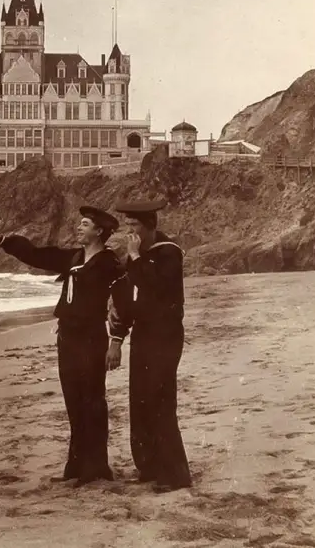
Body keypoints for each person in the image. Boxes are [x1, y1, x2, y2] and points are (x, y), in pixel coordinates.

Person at [0, 206, 130, 486]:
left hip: (92, 338)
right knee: (73, 400)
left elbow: (122, 303)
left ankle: (96, 467)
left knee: (92, 401)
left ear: (99, 232)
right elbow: (37, 255)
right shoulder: (74, 257)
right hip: (67, 338)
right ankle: (77, 466)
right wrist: (1, 240)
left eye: (85, 224)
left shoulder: (109, 263)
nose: (79, 227)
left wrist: (116, 341)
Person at [108, 200, 192, 493]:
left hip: (166, 335)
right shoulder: (141, 255)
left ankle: (176, 473)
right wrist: (117, 337)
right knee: (140, 399)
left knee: (161, 401)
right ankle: (150, 466)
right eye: (128, 227)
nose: (130, 233)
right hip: (144, 335)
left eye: (134, 227)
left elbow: (153, 286)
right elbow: (127, 294)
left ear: (149, 227)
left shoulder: (168, 252)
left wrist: (133, 257)